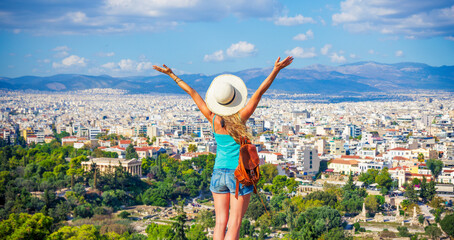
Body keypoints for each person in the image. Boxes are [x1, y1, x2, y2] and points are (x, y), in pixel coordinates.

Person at [153, 56, 293, 240]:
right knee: (234, 223)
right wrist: (276, 70)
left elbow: (193, 93)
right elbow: (259, 92)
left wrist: (172, 75)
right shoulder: (241, 118)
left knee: (220, 222)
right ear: (235, 100)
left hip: (218, 172)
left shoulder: (213, 119)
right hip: (239, 174)